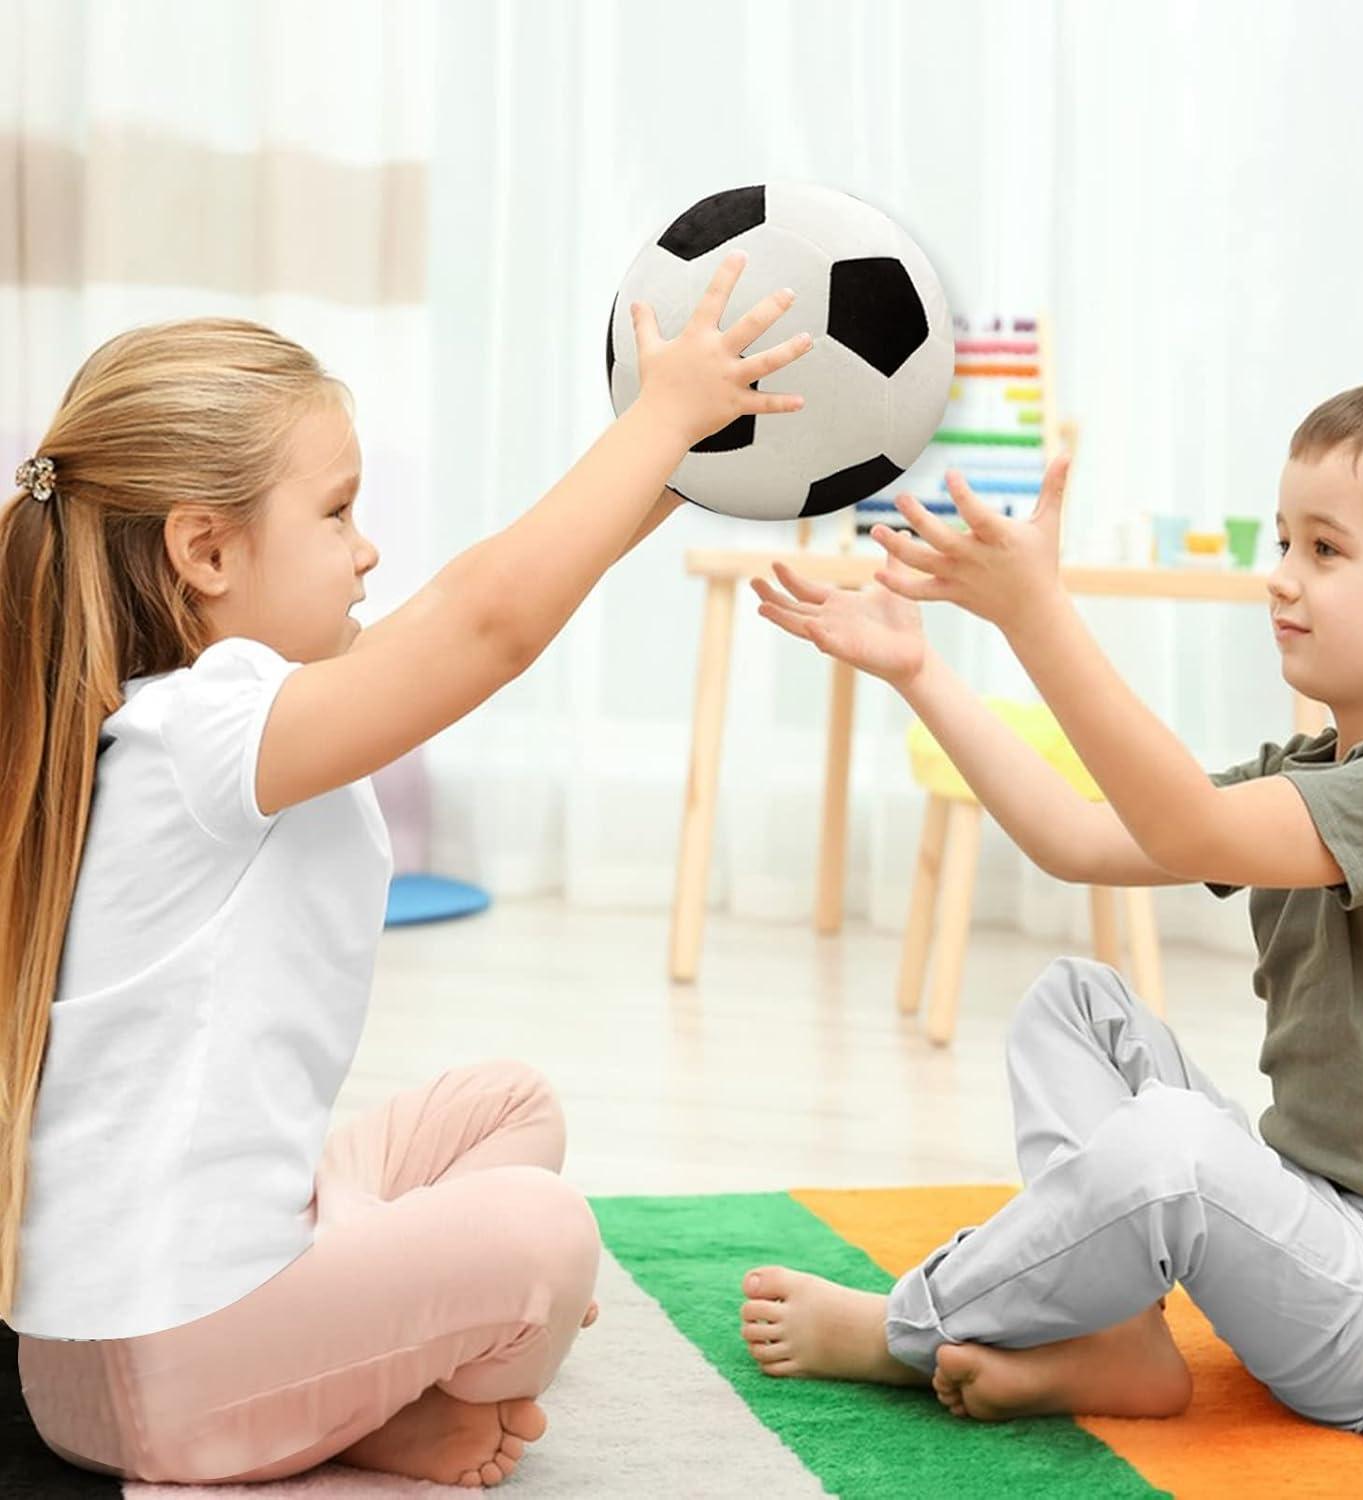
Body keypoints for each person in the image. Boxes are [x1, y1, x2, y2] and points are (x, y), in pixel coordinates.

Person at [0, 251, 810, 1486]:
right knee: (545, 1235)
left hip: (113, 1351)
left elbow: (497, 600)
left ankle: (368, 1356)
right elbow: (485, 625)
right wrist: (659, 419)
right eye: (335, 514)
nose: (368, 552)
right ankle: (359, 1398)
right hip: (166, 1374)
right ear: (205, 554)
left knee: (505, 1107)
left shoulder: (192, 726)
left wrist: (687, 457)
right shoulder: (208, 729)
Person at [742, 376, 1363, 1434]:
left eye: (1324, 550)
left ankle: (907, 1326)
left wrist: (1037, 614)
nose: (1280, 579)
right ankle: (1115, 1336)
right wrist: (921, 673)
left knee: (1176, 1145)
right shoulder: (1320, 770)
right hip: (1319, 1235)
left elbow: (1186, 825)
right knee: (1075, 1002)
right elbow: (1075, 837)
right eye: (1283, 542)